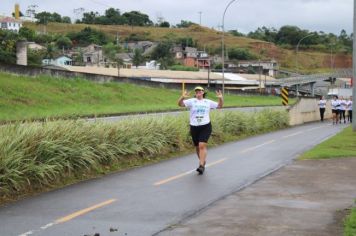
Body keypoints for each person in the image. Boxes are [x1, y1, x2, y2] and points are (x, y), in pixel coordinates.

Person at [178, 86, 223, 175]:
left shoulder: (208, 102)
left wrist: (220, 98)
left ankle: (201, 166)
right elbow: (180, 104)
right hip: (194, 126)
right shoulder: (191, 101)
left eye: (200, 90)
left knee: (202, 145)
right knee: (198, 147)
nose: (198, 92)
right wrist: (182, 97)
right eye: (196, 91)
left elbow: (220, 106)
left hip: (205, 126)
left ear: (203, 92)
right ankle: (203, 161)